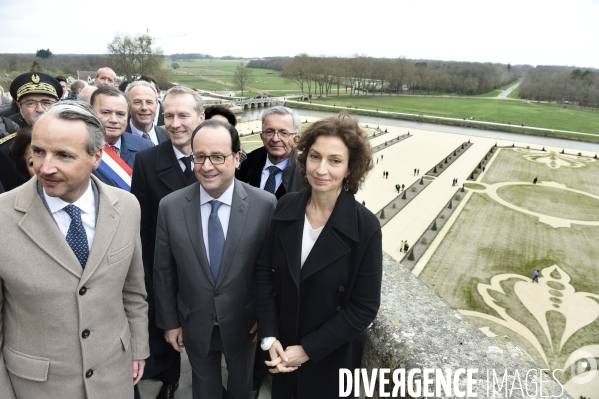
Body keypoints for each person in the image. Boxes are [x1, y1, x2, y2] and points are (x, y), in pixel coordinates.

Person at [0, 101, 149, 398]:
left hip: (115, 379)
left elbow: (133, 291)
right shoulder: (3, 217)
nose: (45, 167)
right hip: (36, 388)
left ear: (96, 158)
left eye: (64, 155)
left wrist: (137, 348)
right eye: (39, 151)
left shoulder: (127, 207)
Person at [256, 114, 382, 398]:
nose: (321, 169)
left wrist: (308, 350)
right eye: (315, 156)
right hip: (283, 350)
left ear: (351, 168)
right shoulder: (286, 205)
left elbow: (364, 307)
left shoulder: (366, 227)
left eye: (335, 160)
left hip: (331, 358)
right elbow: (264, 272)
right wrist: (269, 335)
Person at [154, 119, 277, 399]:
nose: (207, 166)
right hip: (194, 321)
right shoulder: (170, 207)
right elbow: (163, 270)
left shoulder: (265, 205)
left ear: (237, 158)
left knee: (242, 387)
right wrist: (170, 322)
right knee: (204, 389)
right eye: (199, 157)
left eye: (218, 157)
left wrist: (265, 316)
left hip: (245, 322)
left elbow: (271, 269)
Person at [130, 85, 205, 399]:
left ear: (200, 118)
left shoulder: (215, 156)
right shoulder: (148, 161)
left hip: (206, 267)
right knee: (166, 329)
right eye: (169, 115)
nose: (175, 123)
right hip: (164, 267)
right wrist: (145, 274)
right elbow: (143, 226)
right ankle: (170, 379)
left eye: (183, 115)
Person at [90, 86, 153, 190]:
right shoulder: (80, 149)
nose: (114, 120)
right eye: (105, 112)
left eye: (120, 114)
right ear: (91, 113)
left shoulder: (146, 148)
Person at [236, 106, 303, 200]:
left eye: (284, 133)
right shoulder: (246, 167)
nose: (275, 139)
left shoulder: (304, 176)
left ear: (296, 139)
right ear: (262, 136)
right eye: (269, 132)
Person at [125, 81, 168, 145]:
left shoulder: (168, 136)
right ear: (127, 106)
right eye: (137, 102)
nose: (144, 108)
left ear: (156, 105)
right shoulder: (118, 138)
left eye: (149, 102)